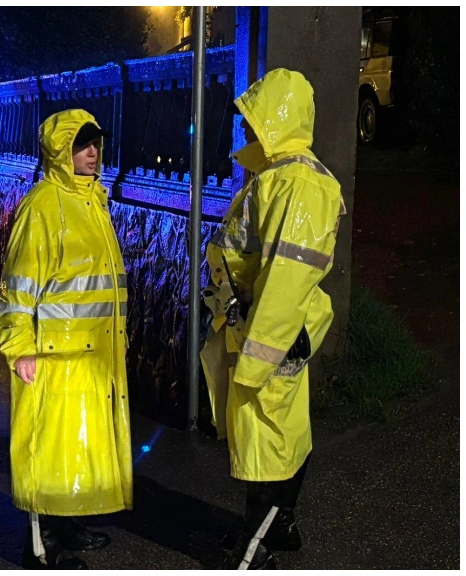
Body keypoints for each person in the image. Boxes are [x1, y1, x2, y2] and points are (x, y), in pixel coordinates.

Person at [200, 68, 346, 569]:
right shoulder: (283, 179)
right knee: (274, 434)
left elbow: (286, 279)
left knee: (268, 439)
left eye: (253, 121)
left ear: (277, 121)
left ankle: (257, 542)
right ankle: (275, 527)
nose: (245, 130)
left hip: (270, 331)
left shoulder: (295, 185)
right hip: (268, 326)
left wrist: (260, 355)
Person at [0, 109, 133, 570]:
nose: (92, 153)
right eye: (82, 144)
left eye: (95, 143)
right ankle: (43, 542)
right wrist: (20, 348)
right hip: (53, 355)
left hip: (91, 353)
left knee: (76, 448)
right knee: (46, 450)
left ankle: (68, 523)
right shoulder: (43, 206)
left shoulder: (93, 201)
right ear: (61, 151)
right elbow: (19, 287)